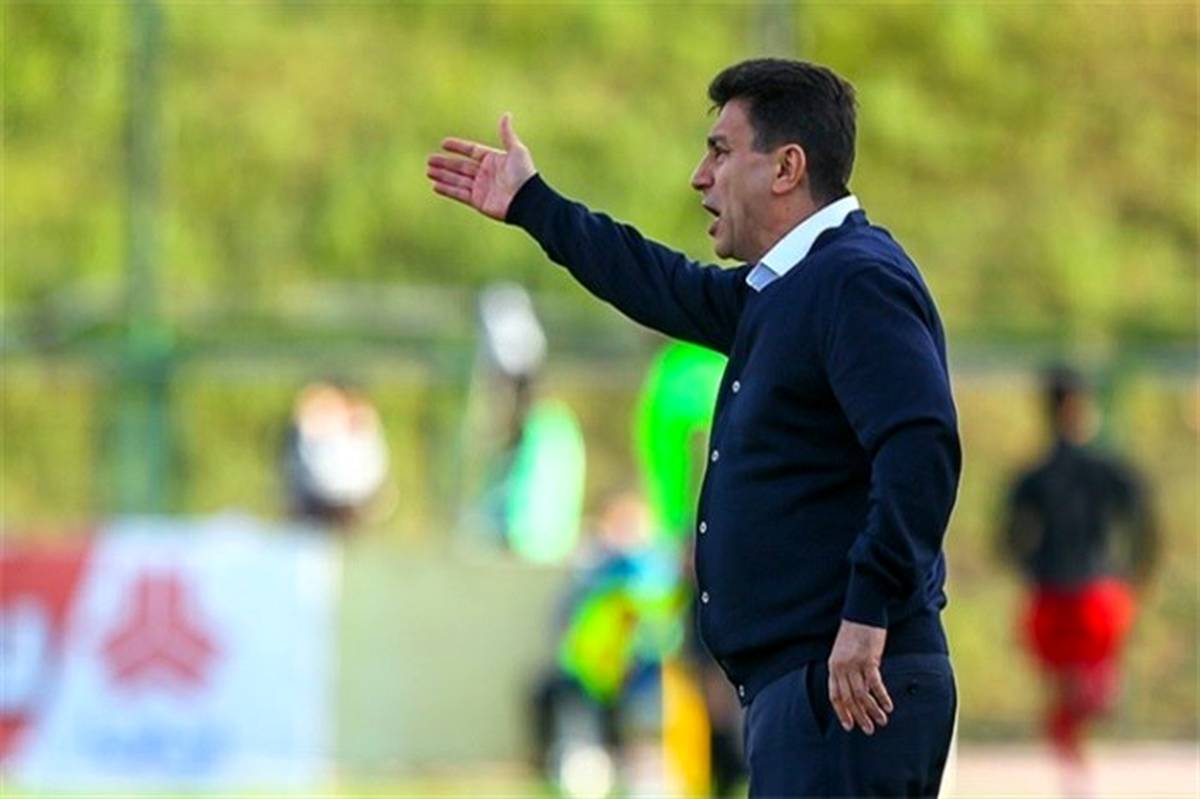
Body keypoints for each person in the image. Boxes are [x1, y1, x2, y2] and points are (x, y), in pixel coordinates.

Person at [427, 58, 961, 797]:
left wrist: (869, 610)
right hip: (812, 685)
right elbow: (657, 281)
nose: (699, 177)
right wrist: (534, 205)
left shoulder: (854, 278)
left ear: (786, 168)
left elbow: (921, 447)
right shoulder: (786, 290)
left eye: (719, 151)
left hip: (848, 683)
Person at [999, 365, 1157, 796]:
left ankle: (1074, 767)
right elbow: (1142, 517)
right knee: (1083, 689)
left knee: (1063, 692)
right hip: (1097, 595)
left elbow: (1009, 536)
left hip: (1051, 595)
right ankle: (1078, 763)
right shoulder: (1107, 470)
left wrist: (1031, 568)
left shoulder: (1033, 476)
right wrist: (1136, 569)